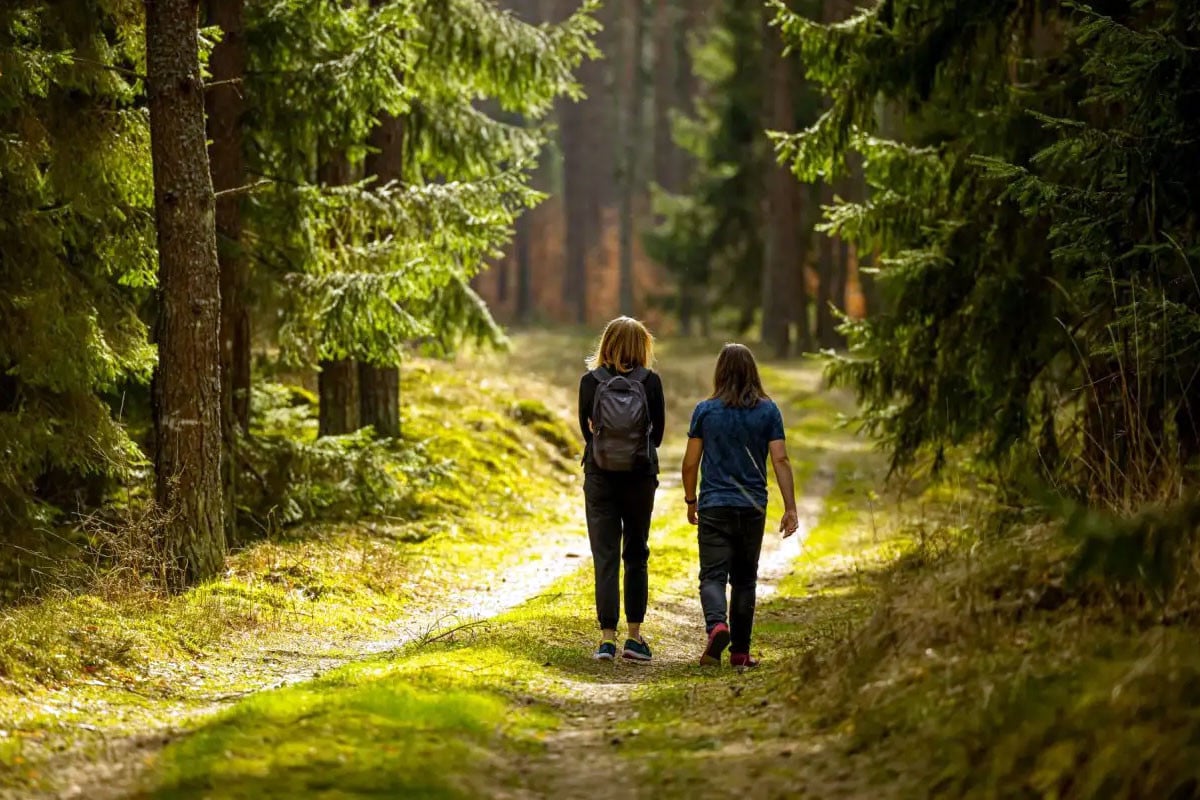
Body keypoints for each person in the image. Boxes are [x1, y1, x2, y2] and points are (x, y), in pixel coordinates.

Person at [681, 343, 799, 669]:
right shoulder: (768, 411)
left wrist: (691, 500)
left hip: (715, 505)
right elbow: (781, 459)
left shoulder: (705, 411)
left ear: (720, 372)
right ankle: (740, 653)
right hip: (752, 507)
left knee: (713, 577)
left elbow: (690, 463)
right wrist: (790, 507)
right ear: (753, 372)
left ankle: (717, 626)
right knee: (745, 580)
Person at [578, 317, 665, 662]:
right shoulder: (651, 382)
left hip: (600, 476)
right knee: (636, 552)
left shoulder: (590, 381)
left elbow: (587, 433)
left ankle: (605, 640)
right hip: (639, 475)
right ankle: (634, 638)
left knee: (605, 555)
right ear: (642, 346)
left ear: (606, 343)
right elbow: (656, 436)